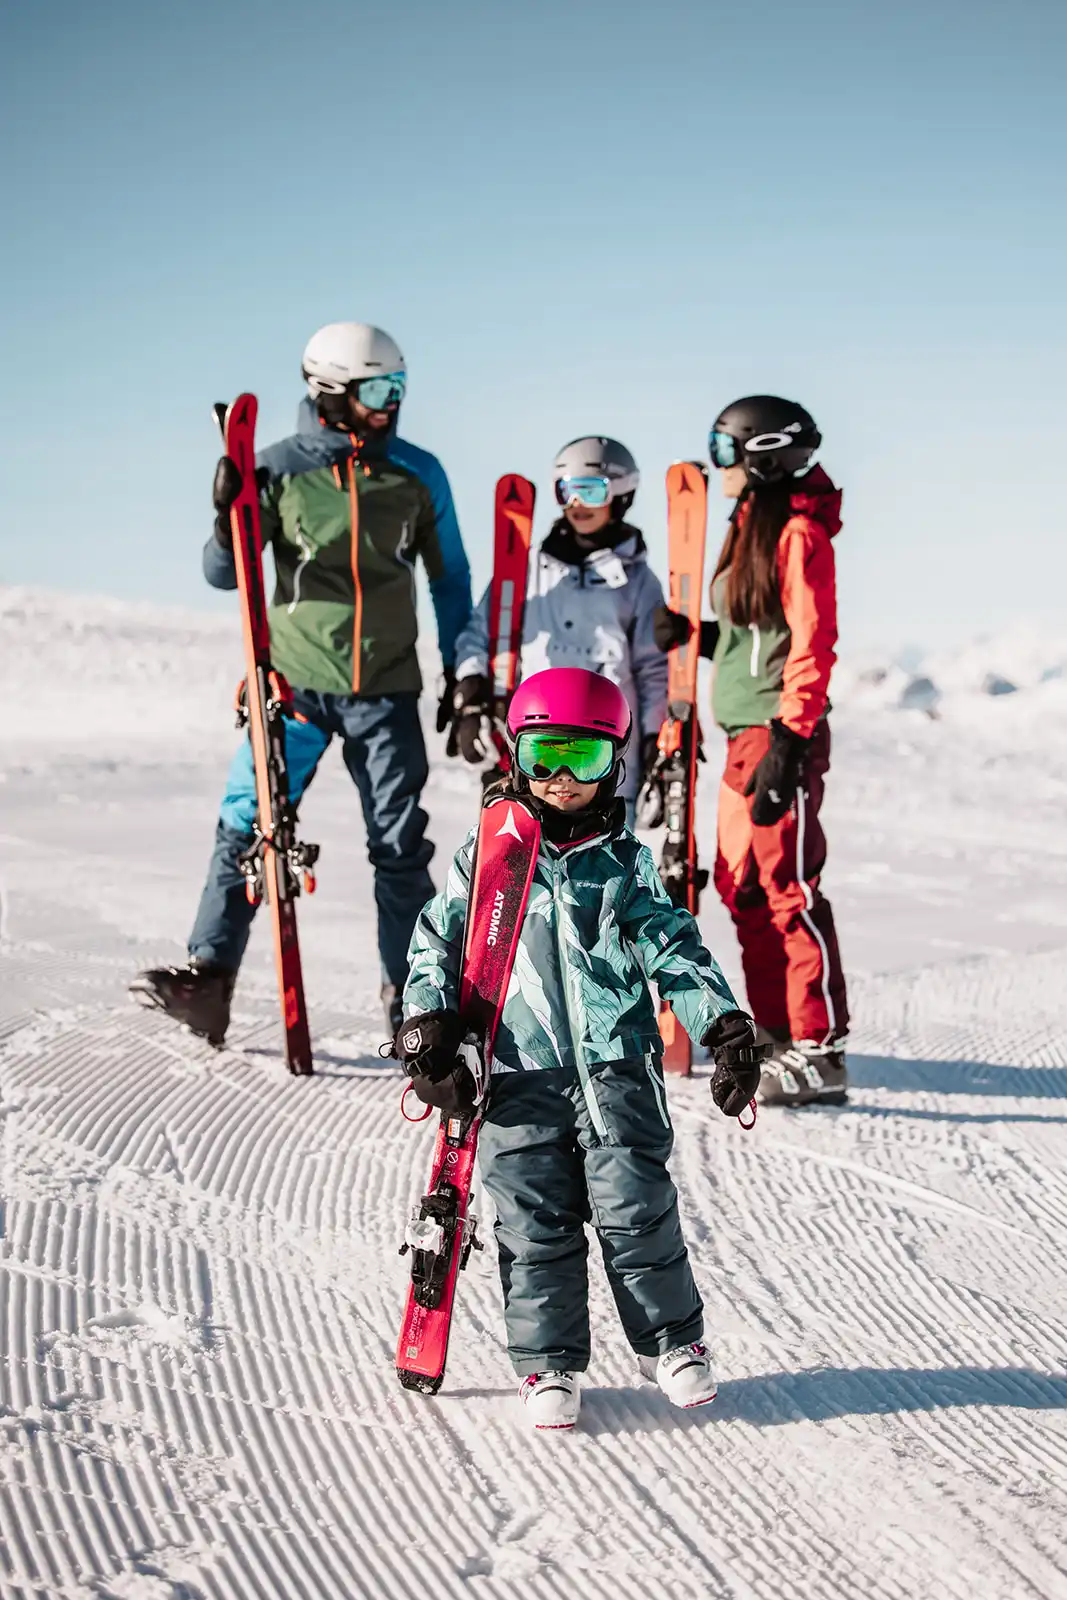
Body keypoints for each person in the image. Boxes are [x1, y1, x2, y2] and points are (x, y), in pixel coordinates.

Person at [395, 667, 766, 1429]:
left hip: (615, 1070)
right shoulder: (487, 858)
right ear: (518, 755)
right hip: (513, 1072)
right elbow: (436, 941)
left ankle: (674, 1343)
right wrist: (426, 1024)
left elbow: (673, 948)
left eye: (585, 761)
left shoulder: (624, 864)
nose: (562, 780)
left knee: (638, 1211)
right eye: (545, 757)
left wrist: (721, 1025)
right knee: (533, 1224)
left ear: (614, 764)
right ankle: (548, 1364)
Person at [131, 322, 472, 1043]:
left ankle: (413, 999)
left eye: (399, 388)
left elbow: (451, 582)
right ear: (329, 392)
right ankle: (210, 979)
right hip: (294, 687)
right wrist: (228, 519)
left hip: (386, 690)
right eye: (378, 390)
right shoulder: (278, 469)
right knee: (246, 823)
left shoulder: (417, 473)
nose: (392, 405)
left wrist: (466, 674)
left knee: (399, 848)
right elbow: (225, 575)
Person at [654, 395, 849, 1107]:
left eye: (725, 447)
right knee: (742, 891)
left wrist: (791, 744)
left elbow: (810, 642)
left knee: (788, 890)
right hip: (741, 734)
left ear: (760, 452)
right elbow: (751, 633)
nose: (719, 464)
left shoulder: (798, 533)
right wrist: (695, 635)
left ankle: (820, 1050)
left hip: (777, 733)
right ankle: (773, 1032)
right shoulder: (749, 525)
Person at [448, 437, 667, 824]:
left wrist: (654, 737)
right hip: (534, 745)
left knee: (603, 868)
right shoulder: (524, 570)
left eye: (590, 490)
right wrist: (470, 689)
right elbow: (479, 635)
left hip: (603, 750)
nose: (576, 504)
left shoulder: (638, 581)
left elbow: (653, 669)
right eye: (565, 491)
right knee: (522, 866)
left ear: (621, 493)